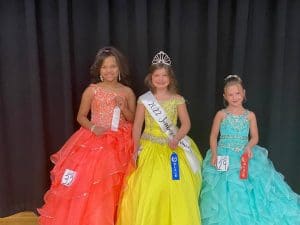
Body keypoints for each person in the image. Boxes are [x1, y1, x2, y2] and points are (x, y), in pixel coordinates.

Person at [38, 46, 136, 225]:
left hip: (121, 142)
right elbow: (81, 116)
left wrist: (124, 108)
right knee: (95, 184)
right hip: (95, 140)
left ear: (119, 68)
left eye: (113, 66)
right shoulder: (92, 90)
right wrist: (93, 128)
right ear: (99, 69)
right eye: (105, 67)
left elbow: (133, 119)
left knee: (120, 183)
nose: (109, 70)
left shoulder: (127, 92)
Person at [199, 75, 300, 225]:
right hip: (224, 155)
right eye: (231, 94)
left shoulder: (250, 115)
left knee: (251, 190)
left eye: (237, 93)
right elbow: (213, 136)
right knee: (223, 189)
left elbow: (255, 137)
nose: (234, 97)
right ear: (225, 96)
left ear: (244, 93)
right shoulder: (221, 114)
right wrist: (214, 153)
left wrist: (248, 147)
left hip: (244, 155)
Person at [116, 51, 203, 225]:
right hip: (149, 147)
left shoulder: (178, 99)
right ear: (151, 77)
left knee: (176, 186)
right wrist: (135, 150)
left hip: (173, 145)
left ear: (170, 78)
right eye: (157, 75)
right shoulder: (143, 100)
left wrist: (177, 139)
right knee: (150, 189)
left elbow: (186, 124)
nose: (161, 79)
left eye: (165, 75)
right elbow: (137, 126)